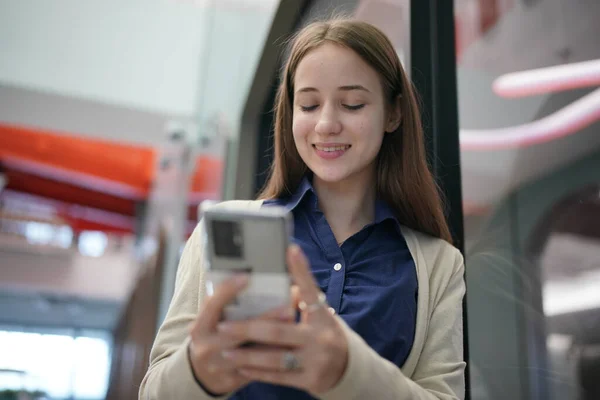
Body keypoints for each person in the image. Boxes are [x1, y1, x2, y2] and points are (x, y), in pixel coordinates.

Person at [139, 17, 466, 400]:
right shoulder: (225, 230)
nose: (326, 124)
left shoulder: (440, 265)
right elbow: (153, 392)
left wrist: (348, 369)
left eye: (352, 104)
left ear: (393, 113)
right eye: (308, 104)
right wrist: (198, 368)